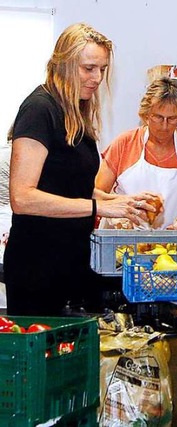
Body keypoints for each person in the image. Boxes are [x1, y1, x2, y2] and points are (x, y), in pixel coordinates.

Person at [5, 23, 155, 316]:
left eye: (102, 69)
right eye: (88, 68)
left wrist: (119, 202)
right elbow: (22, 198)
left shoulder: (76, 110)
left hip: (70, 262)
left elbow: (69, 186)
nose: (97, 78)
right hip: (37, 266)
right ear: (63, 64)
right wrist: (98, 207)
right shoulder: (39, 110)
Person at [95, 77, 177, 231]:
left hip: (172, 247)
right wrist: (116, 215)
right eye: (158, 117)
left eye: (172, 119)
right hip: (121, 242)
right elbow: (98, 193)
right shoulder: (125, 144)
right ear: (146, 114)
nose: (164, 126)